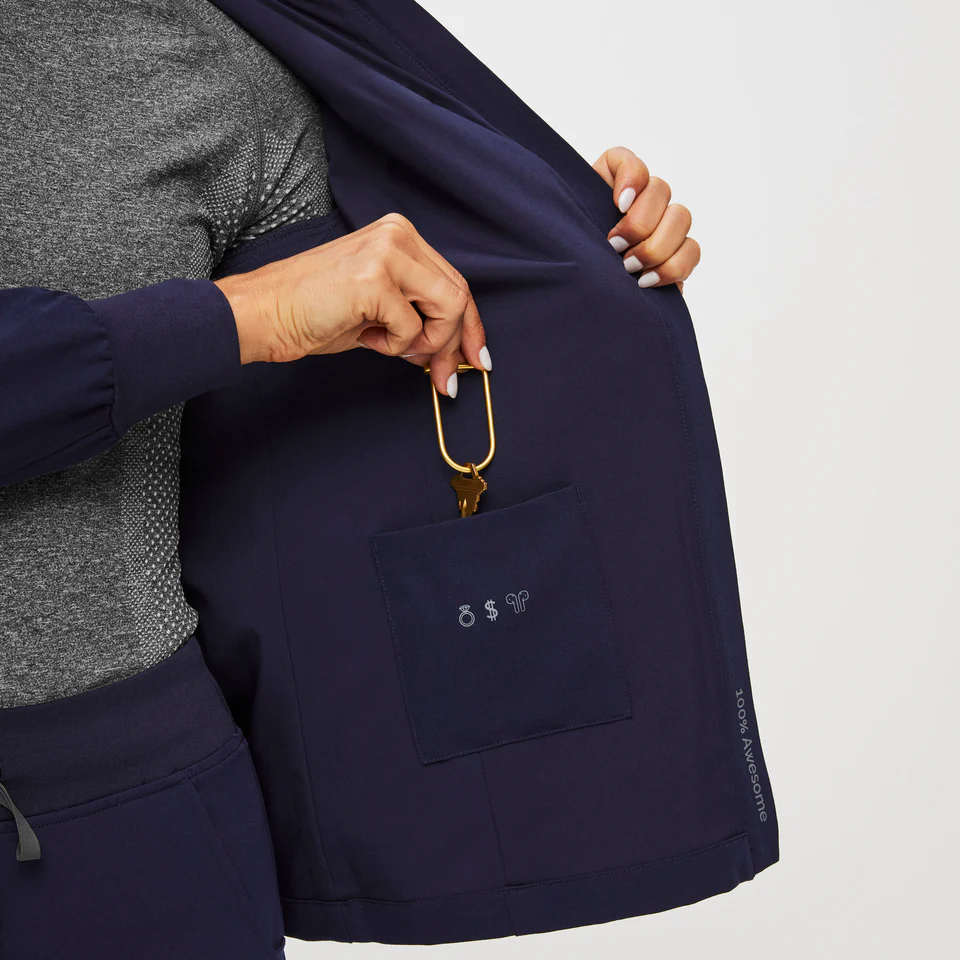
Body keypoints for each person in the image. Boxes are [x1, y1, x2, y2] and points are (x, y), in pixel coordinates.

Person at [0, 0, 699, 955]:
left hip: (133, 822)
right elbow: (269, 312)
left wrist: (587, 236)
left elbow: (409, 286)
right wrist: (242, 316)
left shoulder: (208, 57)